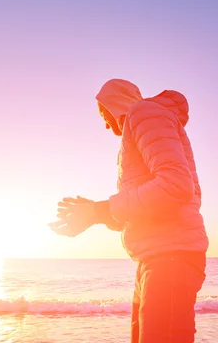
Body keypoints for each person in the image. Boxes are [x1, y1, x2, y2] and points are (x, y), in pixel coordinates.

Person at [49, 79, 209, 343]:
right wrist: (95, 214)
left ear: (116, 104)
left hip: (170, 258)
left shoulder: (144, 113)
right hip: (157, 258)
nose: (105, 123)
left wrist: (99, 210)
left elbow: (176, 187)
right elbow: (151, 206)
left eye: (104, 113)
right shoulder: (145, 120)